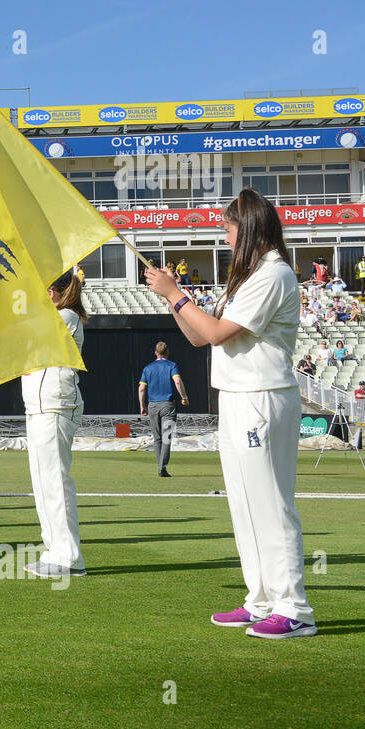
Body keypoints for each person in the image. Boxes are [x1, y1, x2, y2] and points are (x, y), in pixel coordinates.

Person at [147, 187, 315, 638]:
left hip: (263, 395)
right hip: (239, 395)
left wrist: (176, 292)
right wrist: (171, 299)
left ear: (250, 229)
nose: (224, 238)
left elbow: (218, 333)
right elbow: (201, 337)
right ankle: (260, 599)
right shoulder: (249, 277)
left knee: (270, 502)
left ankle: (294, 607)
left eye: (228, 229)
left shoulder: (273, 274)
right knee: (243, 503)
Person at [21, 269, 87, 578]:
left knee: (56, 482)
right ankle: (54, 550)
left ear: (53, 293)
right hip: (38, 406)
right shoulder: (53, 316)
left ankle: (69, 556)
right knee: (42, 482)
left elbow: (37, 334)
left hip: (56, 405)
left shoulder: (68, 316)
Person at [139, 341, 191, 477]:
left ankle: (160, 465)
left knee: (157, 438)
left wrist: (142, 406)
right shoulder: (172, 366)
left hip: (153, 406)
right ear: (167, 352)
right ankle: (162, 467)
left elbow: (141, 389)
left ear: (155, 353)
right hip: (168, 406)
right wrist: (184, 397)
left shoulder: (147, 368)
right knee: (166, 438)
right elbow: (178, 381)